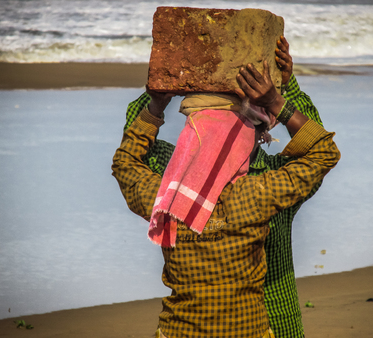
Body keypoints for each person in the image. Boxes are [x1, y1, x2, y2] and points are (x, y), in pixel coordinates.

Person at [112, 36, 340, 338]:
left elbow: (127, 158)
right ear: (253, 135)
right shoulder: (262, 188)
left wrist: (157, 99)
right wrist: (279, 98)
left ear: (188, 136)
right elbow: (318, 147)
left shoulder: (167, 192)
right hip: (259, 326)